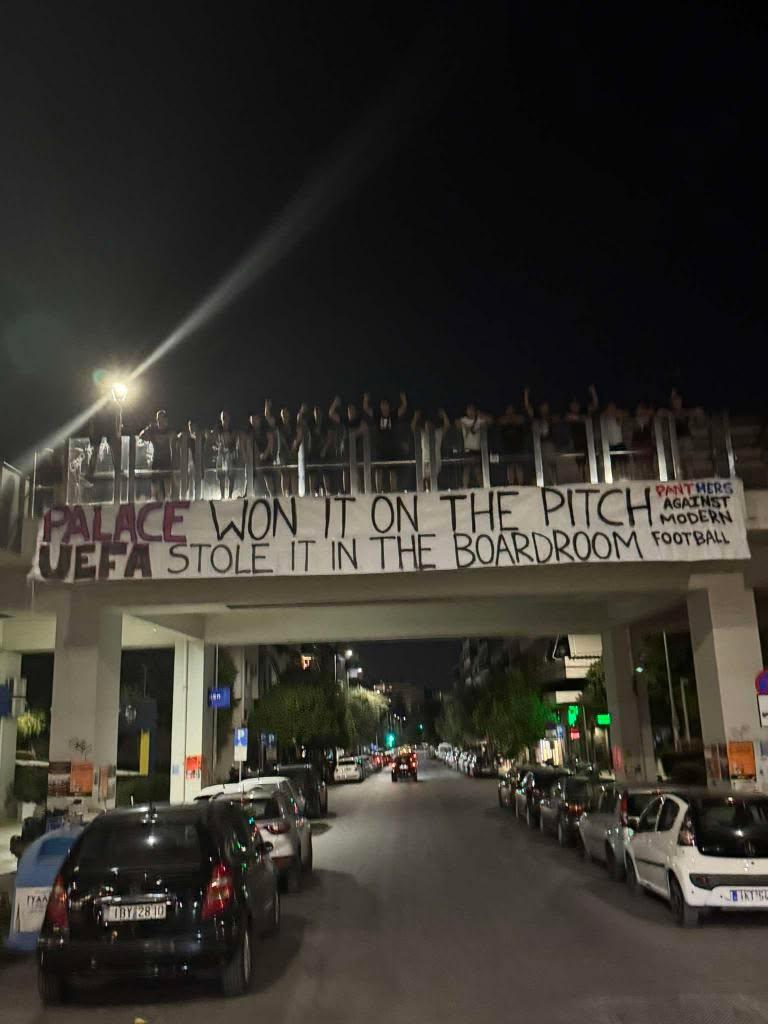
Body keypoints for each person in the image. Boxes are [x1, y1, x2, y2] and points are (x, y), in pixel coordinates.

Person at [363, 391, 408, 492]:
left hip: (392, 447)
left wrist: (404, 400)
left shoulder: (393, 415)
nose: (383, 407)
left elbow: (403, 409)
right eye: (382, 405)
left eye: (385, 405)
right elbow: (366, 409)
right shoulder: (377, 415)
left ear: (388, 406)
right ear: (380, 407)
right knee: (379, 470)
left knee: (393, 470)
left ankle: (393, 491)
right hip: (380, 447)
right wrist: (366, 399)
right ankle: (378, 491)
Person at [329, 396, 367, 493]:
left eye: (352, 409)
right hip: (346, 449)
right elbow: (331, 414)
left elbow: (364, 429)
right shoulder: (344, 420)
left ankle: (360, 491)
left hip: (357, 450)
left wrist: (353, 435)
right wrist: (335, 404)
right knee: (346, 470)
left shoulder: (359, 421)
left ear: (355, 411)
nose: (351, 411)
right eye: (349, 410)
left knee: (358, 470)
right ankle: (346, 491)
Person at [665, 389, 703, 477]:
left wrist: (696, 412)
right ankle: (679, 478)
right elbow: (661, 413)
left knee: (688, 460)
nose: (677, 403)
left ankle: (690, 477)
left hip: (686, 439)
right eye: (674, 401)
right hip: (675, 440)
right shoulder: (670, 413)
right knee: (677, 461)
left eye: (678, 400)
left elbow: (697, 413)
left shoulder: (685, 412)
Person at [139, 409, 175, 500]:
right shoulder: (153, 429)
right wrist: (147, 431)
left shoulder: (169, 430)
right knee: (155, 482)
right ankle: (154, 499)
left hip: (167, 459)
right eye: (158, 418)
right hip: (156, 459)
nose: (160, 420)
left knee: (167, 481)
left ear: (165, 419)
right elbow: (142, 435)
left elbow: (175, 438)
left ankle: (167, 499)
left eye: (162, 418)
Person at [523, 389, 556, 484]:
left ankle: (551, 482)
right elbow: (528, 408)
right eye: (543, 407)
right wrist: (526, 396)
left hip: (547, 444)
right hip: (536, 444)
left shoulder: (550, 418)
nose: (545, 408)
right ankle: (538, 482)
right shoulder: (536, 417)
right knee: (537, 465)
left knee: (549, 463)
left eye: (546, 407)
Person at [458, 403, 493, 487]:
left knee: (478, 470)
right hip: (467, 448)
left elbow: (491, 420)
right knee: (467, 469)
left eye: (472, 410)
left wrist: (481, 415)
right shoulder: (464, 420)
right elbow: (457, 423)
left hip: (477, 448)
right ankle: (465, 487)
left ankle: (482, 486)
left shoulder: (479, 420)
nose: (470, 412)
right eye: (468, 410)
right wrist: (467, 427)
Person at [244, 410, 275, 496]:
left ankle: (272, 496)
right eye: (252, 420)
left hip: (267, 457)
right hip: (255, 458)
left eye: (255, 419)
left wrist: (266, 453)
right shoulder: (250, 432)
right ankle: (247, 495)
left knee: (268, 479)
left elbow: (271, 441)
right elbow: (249, 444)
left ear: (259, 419)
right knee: (251, 477)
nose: (253, 422)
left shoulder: (265, 429)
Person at [497, 404, 528, 484]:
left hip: (518, 446)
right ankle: (511, 483)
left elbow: (521, 419)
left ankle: (521, 483)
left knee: (518, 466)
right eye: (508, 409)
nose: (510, 411)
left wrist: (512, 419)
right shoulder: (503, 420)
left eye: (511, 409)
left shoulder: (518, 419)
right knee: (510, 466)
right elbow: (501, 421)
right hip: (508, 447)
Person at [212, 409, 239, 499]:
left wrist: (228, 448)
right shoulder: (217, 429)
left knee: (231, 476)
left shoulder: (233, 430)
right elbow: (214, 442)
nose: (224, 417)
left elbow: (234, 442)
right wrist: (218, 447)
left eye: (226, 415)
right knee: (221, 476)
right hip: (221, 454)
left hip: (230, 454)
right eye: (222, 415)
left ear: (229, 417)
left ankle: (230, 496)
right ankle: (222, 496)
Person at [630, 402, 655, 480]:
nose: (642, 411)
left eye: (643, 409)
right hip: (638, 450)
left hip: (647, 450)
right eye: (639, 409)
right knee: (639, 471)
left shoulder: (649, 421)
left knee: (649, 470)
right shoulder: (632, 421)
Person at [177, 419, 201, 500]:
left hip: (194, 461)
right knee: (185, 480)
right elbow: (178, 438)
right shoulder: (185, 436)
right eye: (190, 425)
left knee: (193, 481)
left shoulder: (198, 437)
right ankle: (184, 498)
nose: (191, 427)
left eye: (193, 426)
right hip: (186, 461)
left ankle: (194, 498)